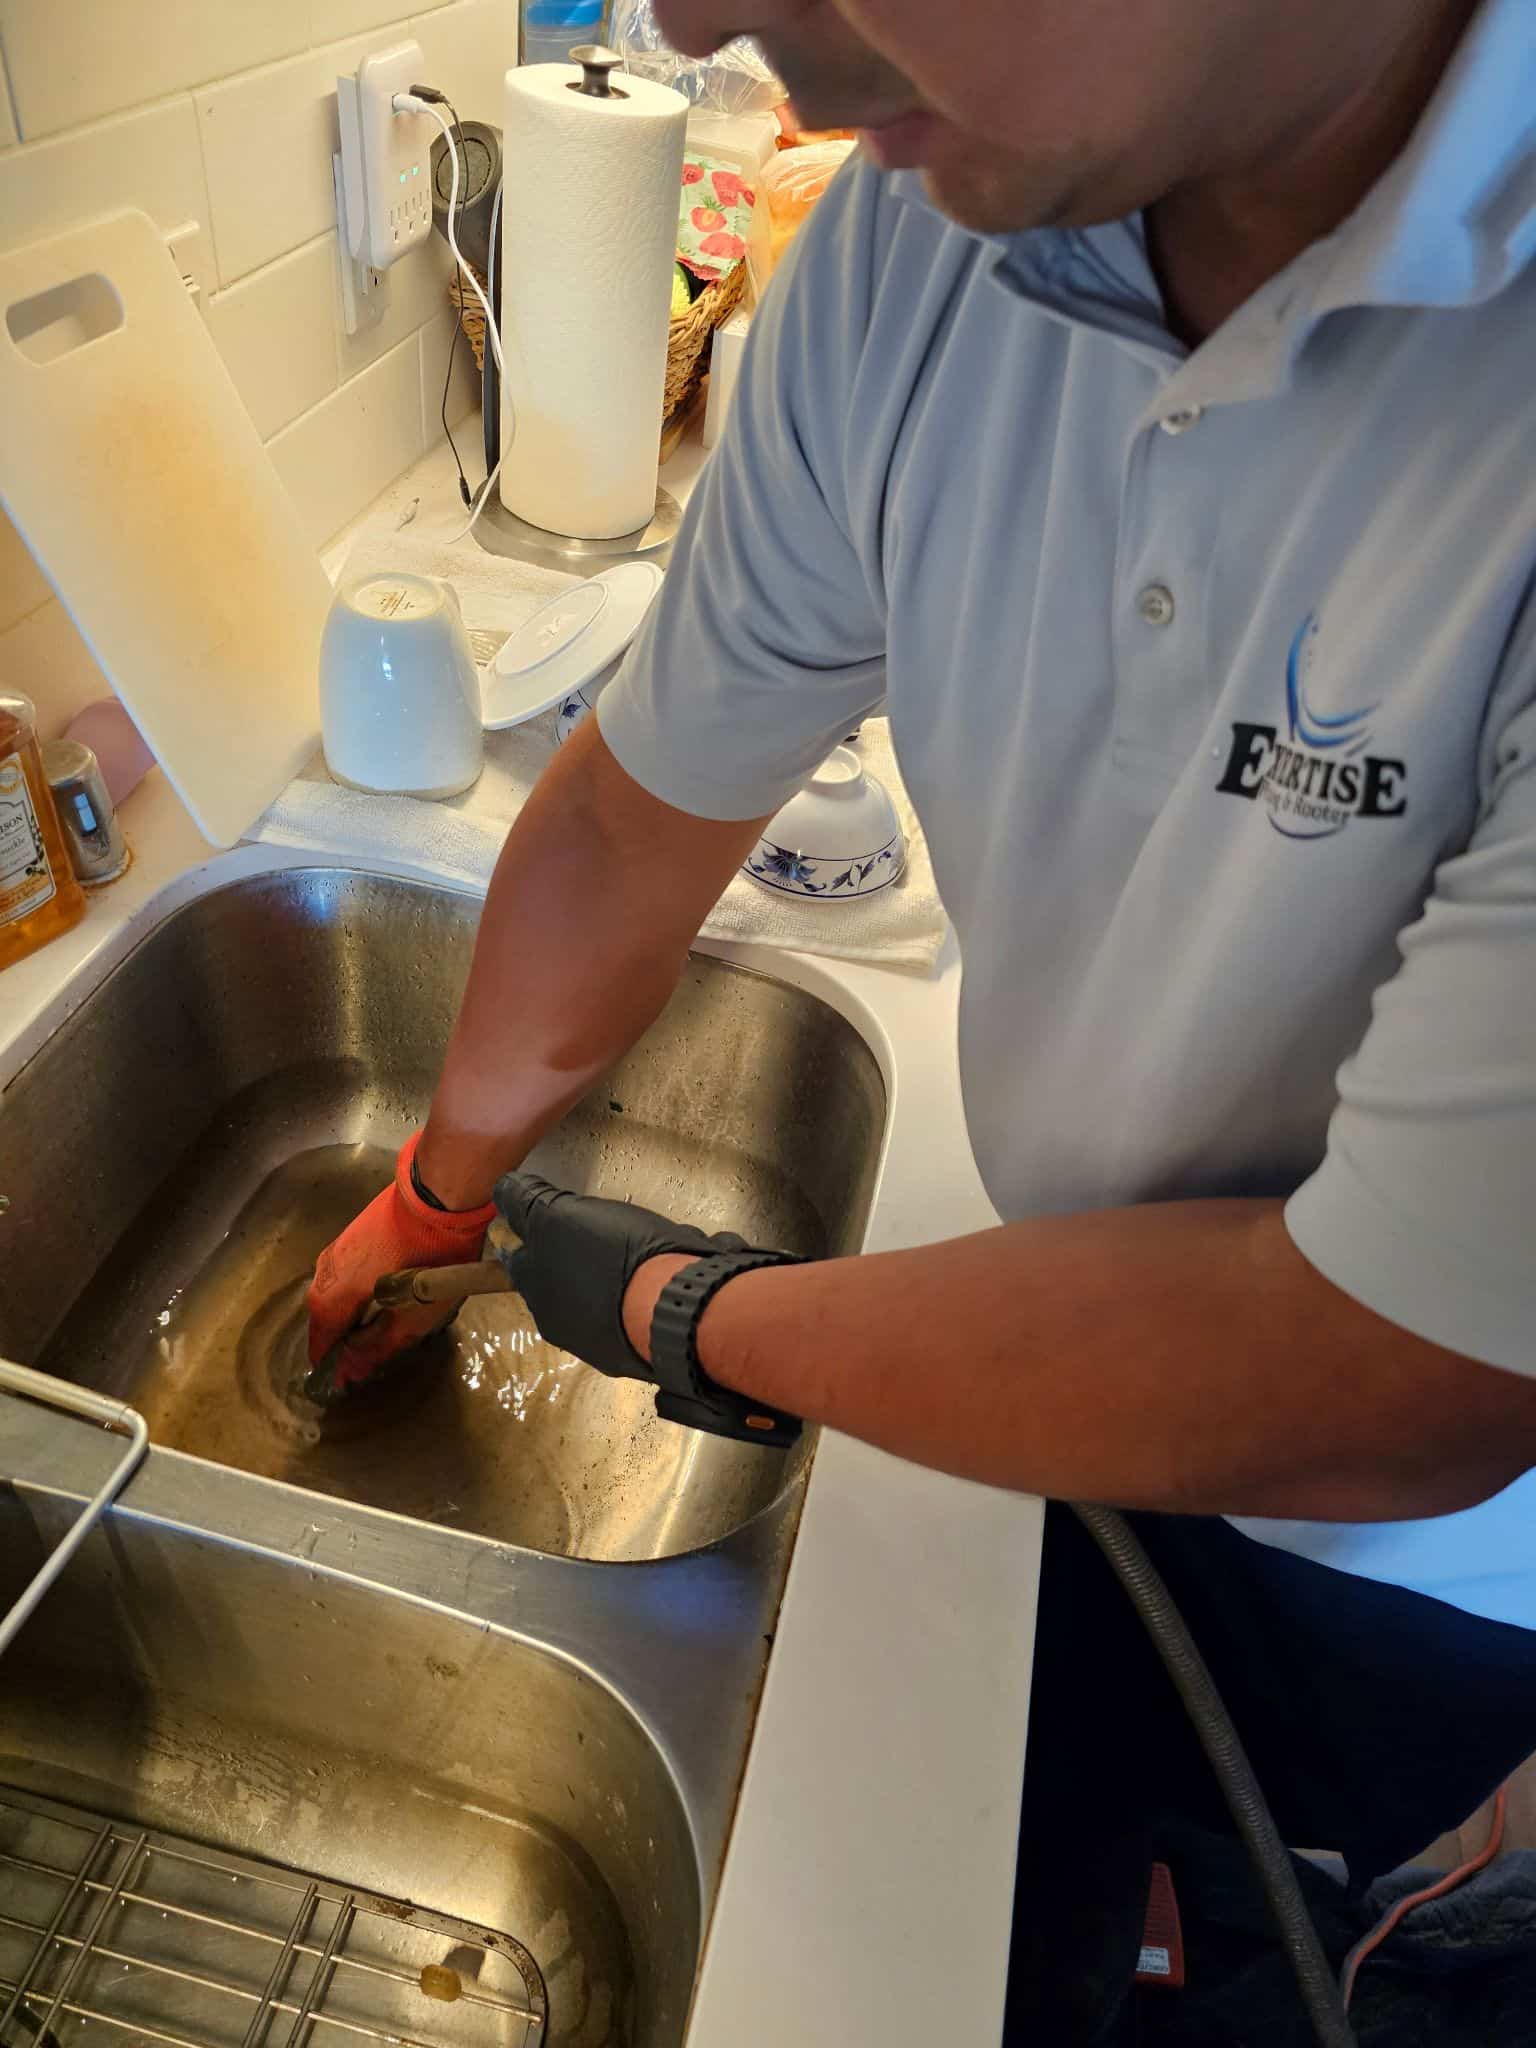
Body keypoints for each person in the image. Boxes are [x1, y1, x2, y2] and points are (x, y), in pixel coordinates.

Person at [309, 0, 1536, 2033]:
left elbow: (1397, 1370)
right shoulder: (928, 240)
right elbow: (631, 820)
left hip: (1436, 1592)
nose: (694, 17)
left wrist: (693, 1315)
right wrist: (439, 1194)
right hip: (1081, 1385)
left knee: (1326, 1949)